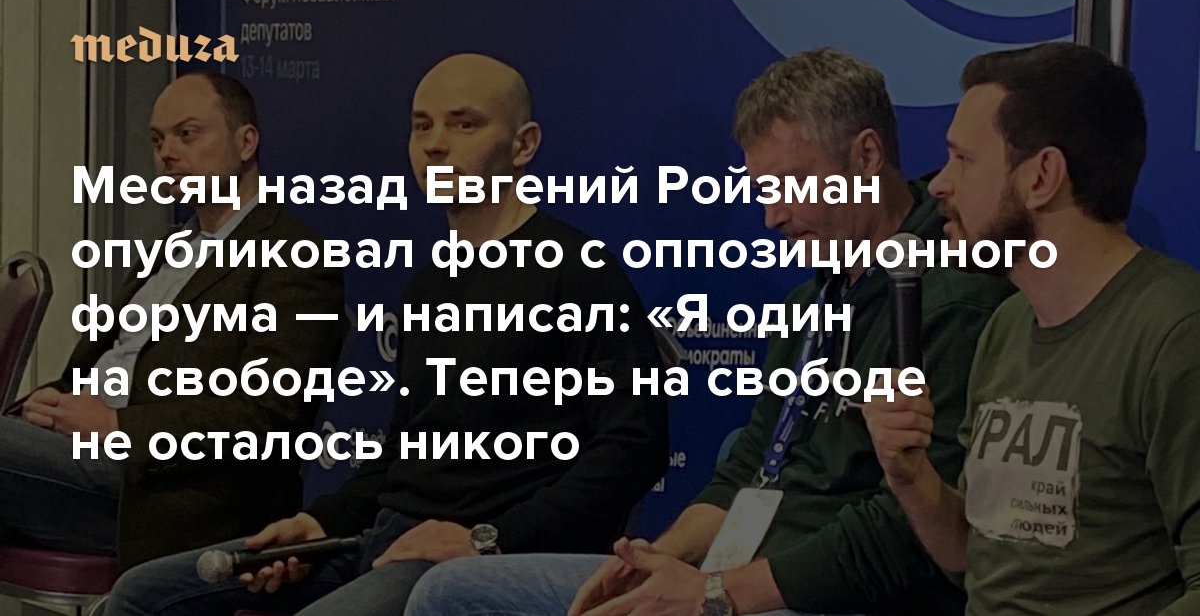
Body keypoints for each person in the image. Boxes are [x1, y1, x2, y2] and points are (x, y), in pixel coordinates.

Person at [403, 48, 1014, 616]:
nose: (773, 218)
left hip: (823, 594)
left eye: (791, 187)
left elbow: (902, 537)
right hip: (736, 574)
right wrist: (652, 565)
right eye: (763, 192)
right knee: (451, 593)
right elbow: (750, 465)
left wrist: (714, 595)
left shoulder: (950, 300)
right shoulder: (812, 301)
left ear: (867, 156)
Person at [102, 53, 669, 616]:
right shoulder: (430, 283)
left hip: (481, 559)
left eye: (464, 124)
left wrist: (489, 539)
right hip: (380, 538)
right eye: (422, 126)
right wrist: (319, 524)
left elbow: (632, 448)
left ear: (523, 145)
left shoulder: (579, 272)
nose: (436, 144)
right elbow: (405, 455)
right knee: (143, 594)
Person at [864, 42, 1200, 615]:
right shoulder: (1006, 325)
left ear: (1042, 176)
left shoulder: (1175, 333)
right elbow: (973, 555)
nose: (939, 184)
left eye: (963, 160)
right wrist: (909, 473)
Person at [0, 71, 346, 569]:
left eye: (187, 134)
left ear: (246, 142)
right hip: (76, 458)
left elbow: (267, 415)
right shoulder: (169, 247)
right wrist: (50, 403)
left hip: (163, 492)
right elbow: (106, 365)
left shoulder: (294, 255)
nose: (167, 153)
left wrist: (117, 426)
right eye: (158, 140)